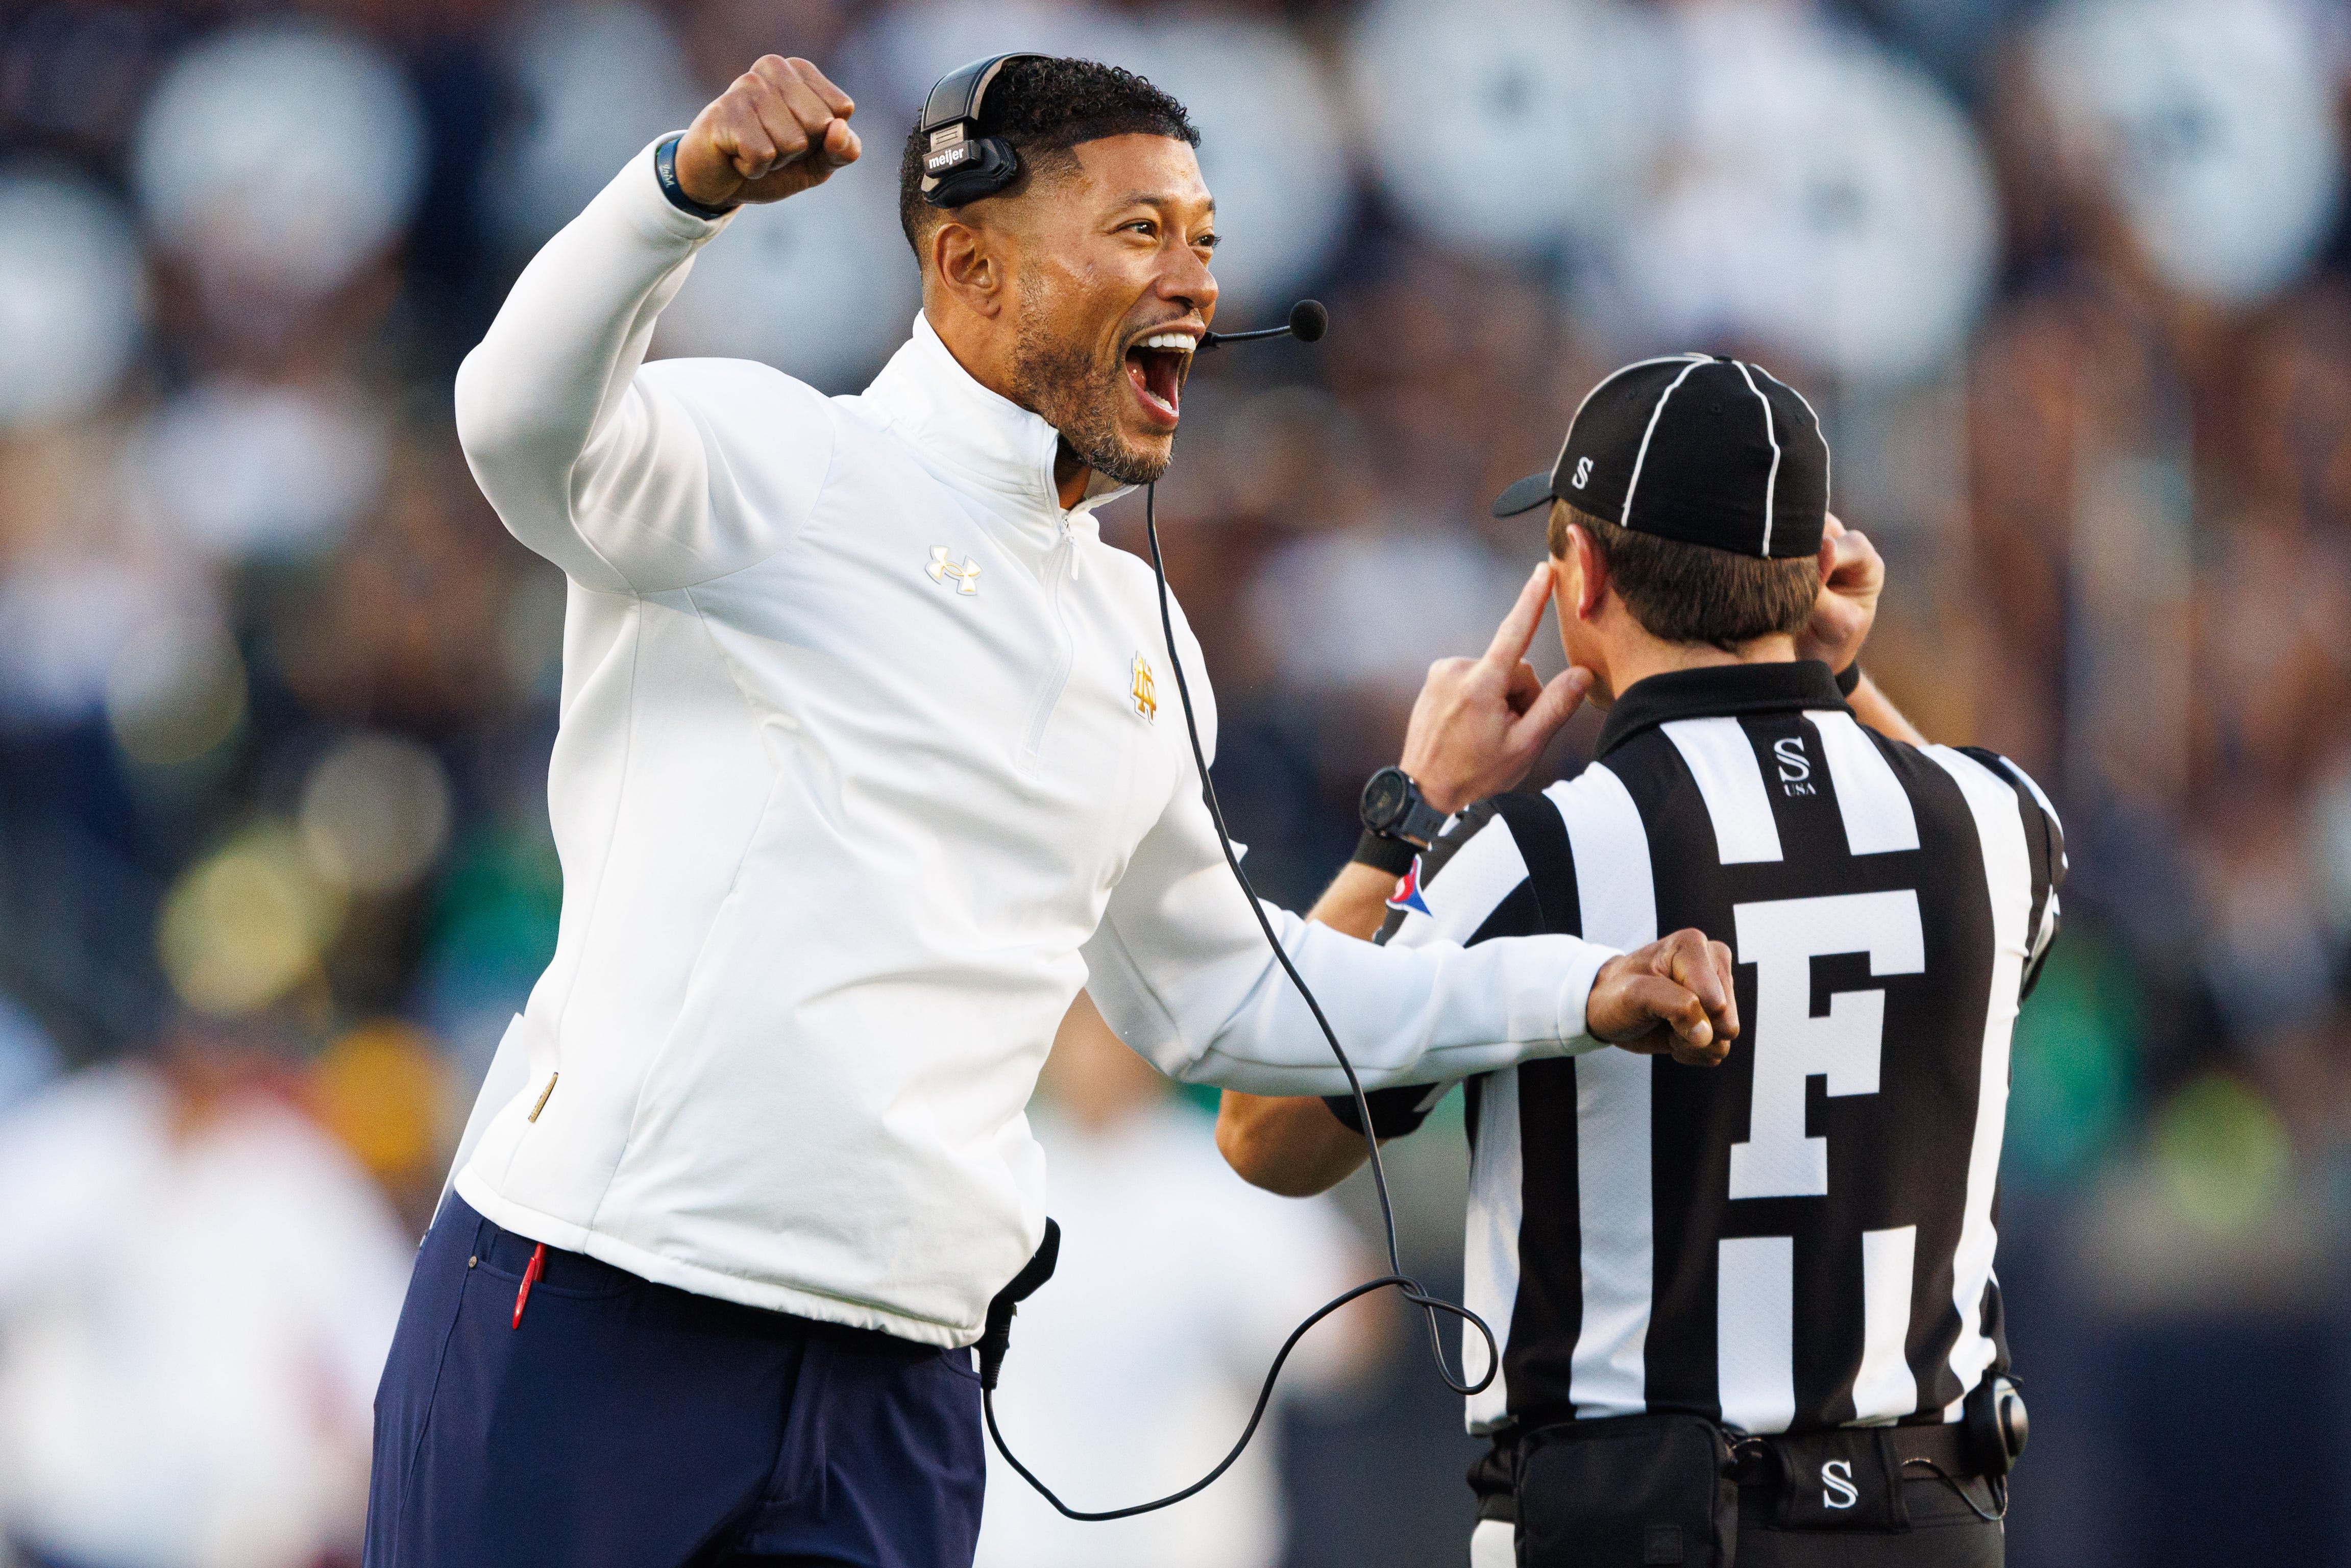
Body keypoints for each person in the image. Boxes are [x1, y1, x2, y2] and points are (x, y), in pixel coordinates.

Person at [367, 54, 1740, 1568]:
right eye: (1140, 231)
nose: (1195, 282)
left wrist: (1573, 990)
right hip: (601, 1302)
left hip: (901, 1376)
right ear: (971, 264)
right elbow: (511, 426)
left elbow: (1226, 996)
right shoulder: (775, 462)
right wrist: (675, 198)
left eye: (1204, 240)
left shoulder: (1136, 633)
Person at [1218, 355, 2062, 1568]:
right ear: (1815, 578)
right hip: (1927, 1518)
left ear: (1583, 573)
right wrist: (1843, 675)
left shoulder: (1533, 853)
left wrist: (1409, 810)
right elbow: (1960, 878)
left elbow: (1267, 1128)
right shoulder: (1998, 821)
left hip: (1643, 1517)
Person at [974, 995, 1375, 1568]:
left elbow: (1353, 1338)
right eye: (1078, 1021)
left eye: (1110, 1023)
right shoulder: (992, 1179)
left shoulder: (1220, 1183)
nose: (1094, 1050)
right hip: (1015, 1551)